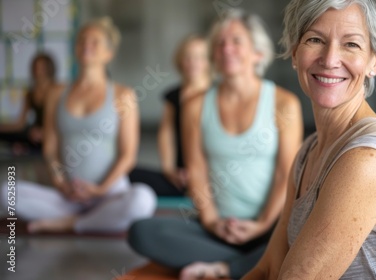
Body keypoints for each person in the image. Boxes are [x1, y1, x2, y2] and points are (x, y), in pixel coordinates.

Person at [244, 0, 376, 279]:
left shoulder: (368, 160)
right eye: (315, 39)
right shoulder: (307, 152)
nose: (329, 59)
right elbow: (268, 269)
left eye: (351, 44)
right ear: (293, 51)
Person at [127, 9, 303, 280]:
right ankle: (255, 266)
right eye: (219, 43)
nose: (226, 48)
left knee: (304, 235)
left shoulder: (284, 103)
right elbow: (196, 169)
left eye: (236, 41)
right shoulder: (195, 105)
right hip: (215, 229)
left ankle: (227, 268)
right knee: (141, 232)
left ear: (258, 53)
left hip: (270, 229)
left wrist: (261, 224)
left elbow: (286, 175)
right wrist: (211, 221)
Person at [0, 17, 156, 233]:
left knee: (143, 200)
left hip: (110, 195)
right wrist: (60, 182)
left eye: (95, 42)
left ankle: (70, 223)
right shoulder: (56, 94)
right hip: (68, 195)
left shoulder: (124, 95)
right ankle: (93, 220)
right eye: (82, 40)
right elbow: (51, 149)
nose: (86, 46)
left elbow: (128, 155)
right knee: (5, 192)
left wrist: (100, 189)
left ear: (109, 53)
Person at [129, 35, 211, 196]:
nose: (193, 62)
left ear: (209, 61)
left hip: (213, 177)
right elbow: (166, 134)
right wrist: (170, 171)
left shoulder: (219, 95)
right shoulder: (172, 97)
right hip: (180, 177)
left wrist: (200, 175)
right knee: (128, 174)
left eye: (199, 57)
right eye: (188, 57)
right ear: (180, 61)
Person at [0, 53, 58, 154]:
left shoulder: (56, 91)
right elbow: (20, 124)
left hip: (53, 134)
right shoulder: (30, 93)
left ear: (49, 69)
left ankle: (24, 147)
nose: (38, 71)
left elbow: (62, 121)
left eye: (42, 68)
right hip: (33, 134)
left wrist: (45, 132)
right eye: (36, 67)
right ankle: (22, 148)